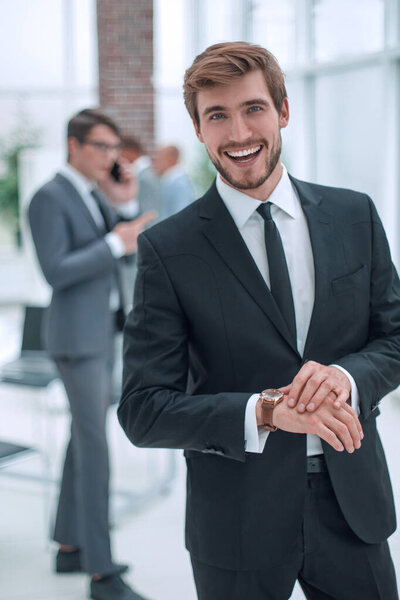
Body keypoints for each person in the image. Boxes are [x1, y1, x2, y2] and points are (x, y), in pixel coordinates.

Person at [118, 42, 400, 600]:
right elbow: (143, 410)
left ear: (283, 112)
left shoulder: (354, 215)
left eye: (253, 109)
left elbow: (393, 339)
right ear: (198, 130)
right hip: (236, 519)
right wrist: (266, 412)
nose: (239, 132)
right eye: (217, 115)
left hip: (352, 506)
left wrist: (345, 377)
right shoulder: (167, 249)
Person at [29, 108, 155, 600]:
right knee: (96, 449)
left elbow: (117, 244)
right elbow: (56, 270)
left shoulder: (89, 193)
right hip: (76, 341)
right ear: (73, 146)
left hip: (99, 334)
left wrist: (122, 207)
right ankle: (102, 573)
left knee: (81, 443)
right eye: (101, 147)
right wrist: (114, 240)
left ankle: (68, 547)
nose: (110, 157)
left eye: (113, 148)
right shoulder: (49, 197)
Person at [120, 135, 160, 218]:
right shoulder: (146, 173)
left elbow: (148, 210)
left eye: (121, 152)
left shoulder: (144, 176)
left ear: (130, 151)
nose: (120, 157)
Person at [153, 144, 195, 219]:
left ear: (171, 159)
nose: (154, 164)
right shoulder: (170, 182)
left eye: (158, 159)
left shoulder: (180, 185)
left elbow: (181, 219)